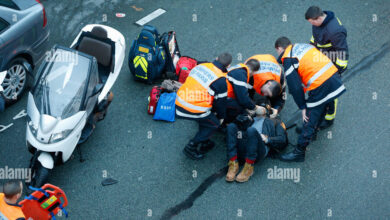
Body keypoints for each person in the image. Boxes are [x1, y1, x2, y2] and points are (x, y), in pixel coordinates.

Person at [274, 37, 346, 162]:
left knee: (309, 116)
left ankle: (299, 152)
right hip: (332, 77)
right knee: (323, 104)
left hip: (320, 84)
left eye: (277, 51)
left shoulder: (288, 58)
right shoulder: (302, 46)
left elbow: (295, 87)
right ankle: (313, 132)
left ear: (279, 48)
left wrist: (302, 107)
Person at [176, 53, 232, 160]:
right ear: (228, 66)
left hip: (180, 100)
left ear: (216, 58)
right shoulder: (221, 81)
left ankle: (205, 140)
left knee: (206, 118)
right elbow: (221, 103)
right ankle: (191, 146)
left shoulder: (201, 66)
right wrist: (221, 118)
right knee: (213, 124)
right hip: (193, 108)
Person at [305, 6, 349, 129]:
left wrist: (336, 71)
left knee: (331, 90)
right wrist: (311, 47)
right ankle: (322, 108)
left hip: (332, 62)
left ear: (319, 18)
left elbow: (342, 52)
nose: (311, 24)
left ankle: (329, 118)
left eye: (312, 22)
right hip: (323, 57)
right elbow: (315, 37)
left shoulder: (335, 30)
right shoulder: (317, 23)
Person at [225, 114, 288, 182]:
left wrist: (267, 139)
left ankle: (249, 167)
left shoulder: (276, 121)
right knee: (231, 126)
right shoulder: (250, 118)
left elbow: (282, 139)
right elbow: (234, 134)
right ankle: (233, 163)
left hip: (258, 149)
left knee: (251, 131)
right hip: (243, 145)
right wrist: (244, 118)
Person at [225, 59, 265, 123]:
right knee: (239, 108)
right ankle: (224, 123)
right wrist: (255, 108)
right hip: (221, 98)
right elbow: (243, 99)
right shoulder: (241, 75)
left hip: (218, 92)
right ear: (254, 72)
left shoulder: (238, 68)